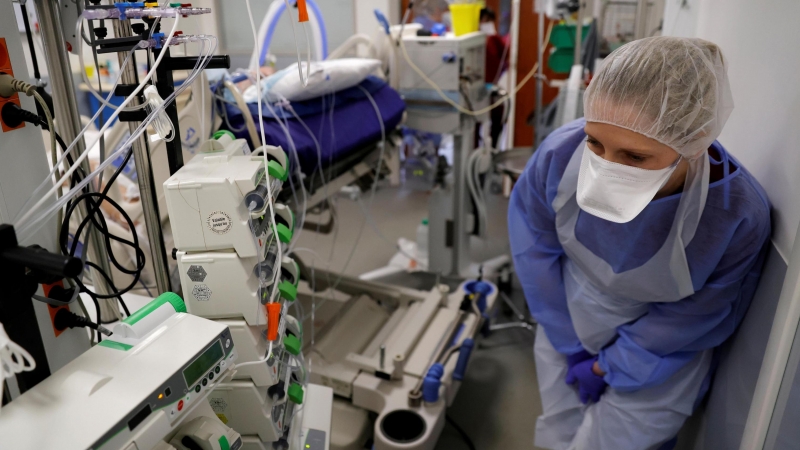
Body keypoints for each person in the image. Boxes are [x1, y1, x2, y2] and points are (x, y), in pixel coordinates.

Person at [508, 37, 771, 449]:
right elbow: (533, 246)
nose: (606, 168)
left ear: (695, 141)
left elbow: (696, 314)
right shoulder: (561, 153)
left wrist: (612, 367)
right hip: (572, 313)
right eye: (595, 143)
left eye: (634, 157)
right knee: (560, 430)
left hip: (660, 354)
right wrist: (569, 344)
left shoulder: (735, 213)